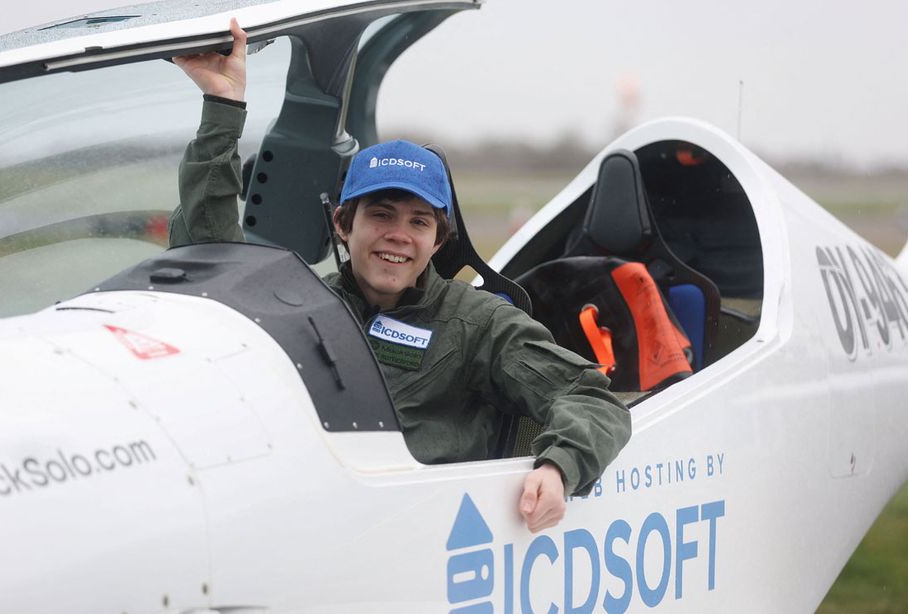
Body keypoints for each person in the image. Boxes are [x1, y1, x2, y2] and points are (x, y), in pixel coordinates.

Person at [170, 19, 631, 533]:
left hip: (420, 539)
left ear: (438, 241)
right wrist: (223, 108)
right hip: (304, 522)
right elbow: (206, 266)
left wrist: (558, 466)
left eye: (419, 222)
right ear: (344, 225)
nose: (398, 235)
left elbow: (590, 399)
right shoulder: (304, 310)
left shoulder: (478, 324)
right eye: (381, 215)